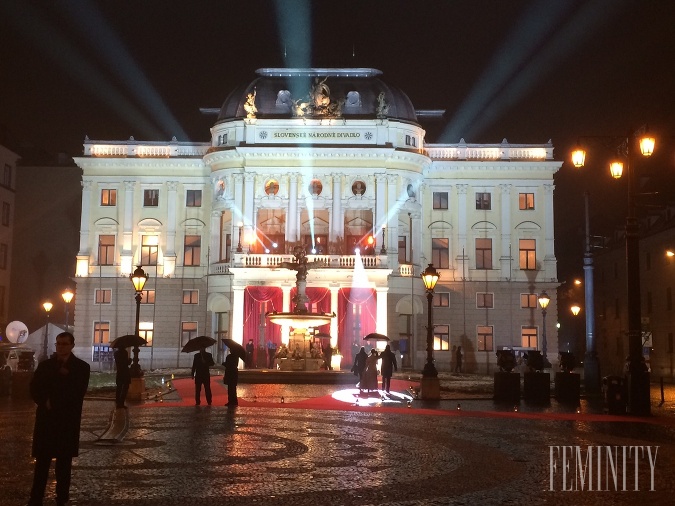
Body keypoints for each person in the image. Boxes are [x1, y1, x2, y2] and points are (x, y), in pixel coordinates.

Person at [28, 331, 90, 506]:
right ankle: (35, 499)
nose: (61, 347)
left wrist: (53, 402)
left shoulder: (81, 367)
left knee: (64, 465)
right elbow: (34, 387)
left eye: (64, 343)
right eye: (58, 343)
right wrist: (43, 401)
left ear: (72, 345)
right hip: (46, 421)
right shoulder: (45, 365)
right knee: (42, 463)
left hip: (66, 422)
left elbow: (77, 392)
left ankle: (62, 499)